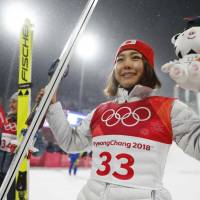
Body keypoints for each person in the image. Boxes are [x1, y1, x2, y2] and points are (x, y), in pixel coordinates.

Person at [37, 39, 200, 200]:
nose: (126, 64)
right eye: (120, 60)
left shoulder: (169, 108)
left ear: (148, 67)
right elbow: (71, 143)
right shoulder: (100, 111)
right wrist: (52, 107)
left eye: (135, 58)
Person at [0, 92, 46, 199]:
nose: (11, 104)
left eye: (14, 102)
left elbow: (40, 151)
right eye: (11, 101)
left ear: (22, 104)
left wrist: (32, 136)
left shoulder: (27, 125)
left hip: (13, 174)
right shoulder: (4, 121)